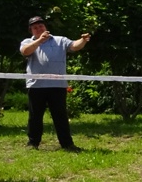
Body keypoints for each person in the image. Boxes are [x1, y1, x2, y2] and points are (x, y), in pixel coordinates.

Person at [20, 16, 91, 151]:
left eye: (41, 26)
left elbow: (75, 46)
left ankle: (67, 144)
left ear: (45, 27)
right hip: (36, 85)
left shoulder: (60, 40)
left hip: (57, 85)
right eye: (35, 28)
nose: (39, 29)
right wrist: (40, 41)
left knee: (60, 116)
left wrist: (83, 40)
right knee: (35, 116)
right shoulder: (27, 42)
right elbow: (25, 51)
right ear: (31, 31)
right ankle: (33, 143)